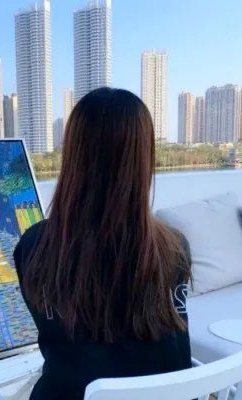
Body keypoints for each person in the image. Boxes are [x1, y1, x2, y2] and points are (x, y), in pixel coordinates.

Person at [13, 87, 192, 400]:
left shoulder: (34, 248)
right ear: (144, 158)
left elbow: (53, 335)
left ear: (73, 156)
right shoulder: (175, 247)